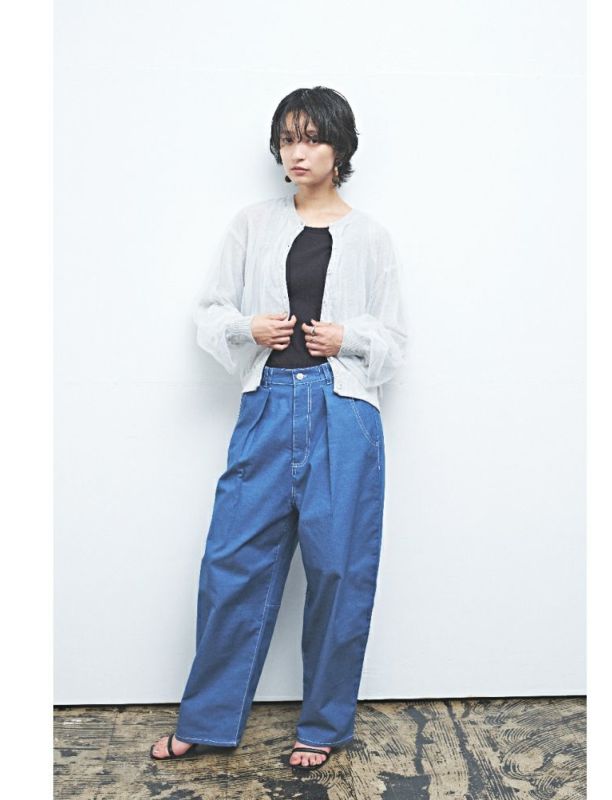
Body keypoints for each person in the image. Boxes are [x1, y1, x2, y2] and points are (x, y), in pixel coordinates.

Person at [150, 86, 408, 771]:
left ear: (339, 148)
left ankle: (323, 725)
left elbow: (395, 341)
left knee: (339, 570)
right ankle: (207, 721)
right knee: (232, 563)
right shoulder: (252, 225)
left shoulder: (371, 238)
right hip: (267, 403)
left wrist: (348, 338)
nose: (298, 152)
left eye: (313, 138)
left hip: (343, 413)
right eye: (288, 138)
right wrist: (248, 328)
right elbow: (210, 312)